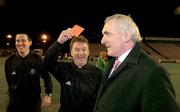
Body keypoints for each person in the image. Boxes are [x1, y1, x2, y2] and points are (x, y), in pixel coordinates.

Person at [94, 14, 180, 112]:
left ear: (126, 36)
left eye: (107, 34)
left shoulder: (153, 72)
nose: (102, 41)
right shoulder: (113, 61)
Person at [44, 29, 102, 112]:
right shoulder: (64, 69)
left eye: (84, 49)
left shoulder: (97, 73)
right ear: (71, 52)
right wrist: (59, 42)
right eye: (77, 49)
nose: (81, 53)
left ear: (88, 52)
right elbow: (47, 63)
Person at [5, 33, 53, 112]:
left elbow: (46, 77)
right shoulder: (9, 60)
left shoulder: (37, 59)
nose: (20, 43)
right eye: (17, 41)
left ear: (30, 43)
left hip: (33, 102)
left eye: (23, 40)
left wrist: (49, 94)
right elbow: (9, 80)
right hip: (14, 102)